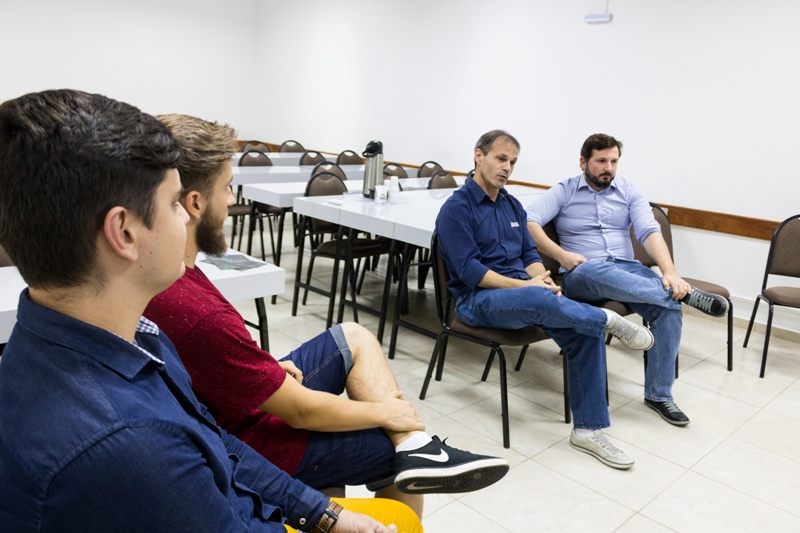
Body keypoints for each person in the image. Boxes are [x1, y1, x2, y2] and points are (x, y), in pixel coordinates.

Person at [0, 89, 422, 533]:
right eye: (173, 204)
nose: (187, 217)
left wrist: (324, 514)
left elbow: (214, 440)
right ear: (124, 232)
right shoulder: (132, 443)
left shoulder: (132, 335)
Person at [142, 114, 509, 517]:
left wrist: (265, 368)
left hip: (231, 405)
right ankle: (412, 448)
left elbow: (207, 365)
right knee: (391, 448)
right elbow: (300, 411)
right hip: (248, 440)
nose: (232, 200)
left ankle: (414, 446)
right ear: (195, 203)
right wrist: (386, 413)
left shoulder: (168, 272)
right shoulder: (197, 312)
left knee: (353, 335)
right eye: (227, 188)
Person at [435, 130, 658, 470]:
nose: (507, 167)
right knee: (543, 299)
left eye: (512, 162)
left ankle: (587, 431)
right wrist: (527, 287)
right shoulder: (456, 209)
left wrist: (542, 279)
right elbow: (470, 271)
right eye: (500, 159)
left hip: (524, 294)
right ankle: (607, 319)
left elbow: (529, 254)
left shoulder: (511, 204)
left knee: (581, 331)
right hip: (477, 300)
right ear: (479, 156)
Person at [526, 133, 729, 426]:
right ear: (583, 162)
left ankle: (659, 395)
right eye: (601, 161)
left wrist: (670, 272)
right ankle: (685, 294)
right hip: (583, 273)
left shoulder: (629, 190)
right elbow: (528, 220)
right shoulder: (564, 191)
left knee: (668, 308)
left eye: (613, 161)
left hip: (627, 271)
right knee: (597, 270)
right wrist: (561, 255)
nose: (608, 168)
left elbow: (649, 231)